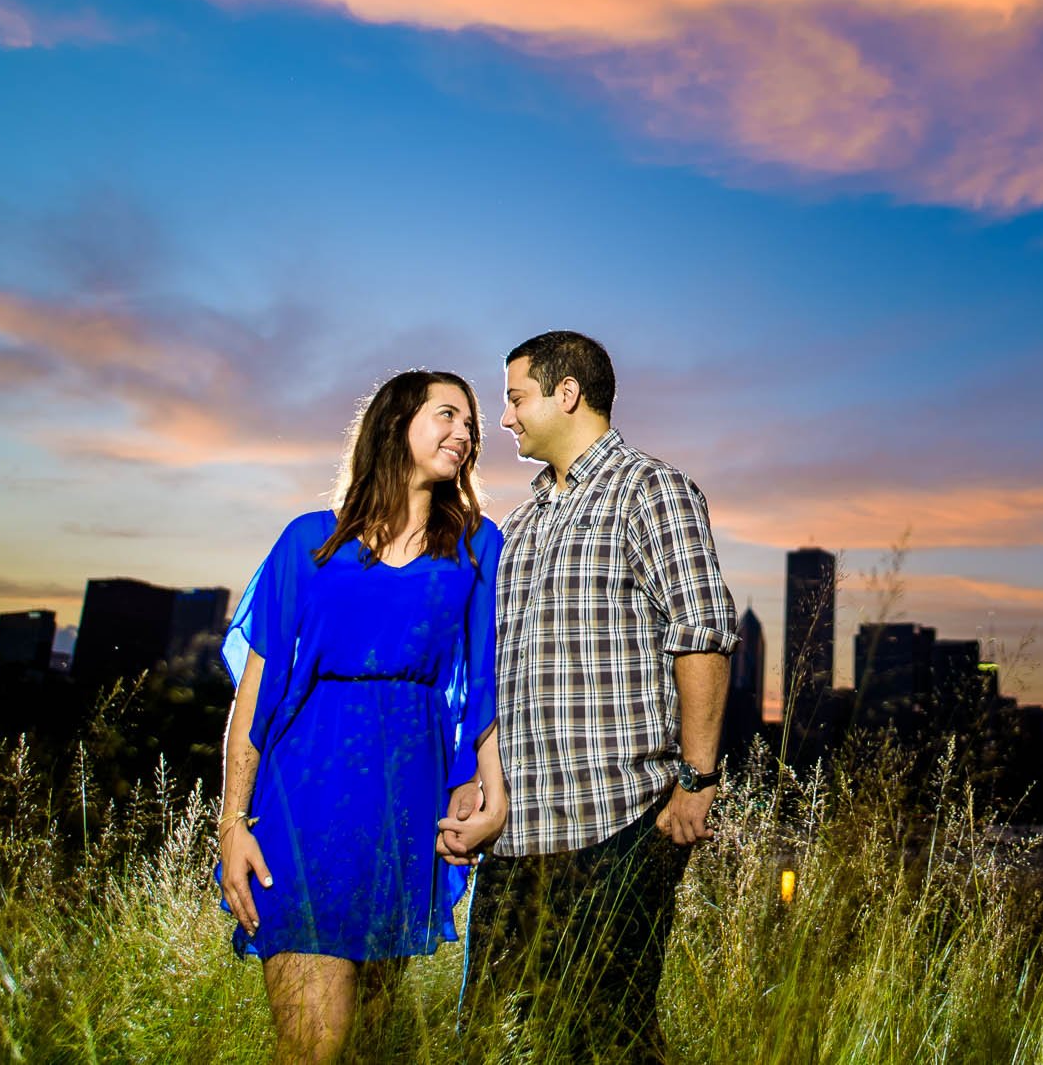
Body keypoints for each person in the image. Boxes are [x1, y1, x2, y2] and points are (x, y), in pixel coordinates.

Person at [439, 330, 737, 1063]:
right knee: (488, 1035)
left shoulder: (650, 489)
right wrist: (482, 786)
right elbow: (503, 671)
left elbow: (702, 628)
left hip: (617, 824)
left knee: (608, 1038)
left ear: (565, 393)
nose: (504, 418)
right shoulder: (526, 521)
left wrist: (697, 779)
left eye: (515, 398)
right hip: (519, 838)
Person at [217, 370, 506, 1064]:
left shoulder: (475, 546)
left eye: (472, 424)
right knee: (314, 1043)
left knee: (372, 1040)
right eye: (447, 415)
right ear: (395, 421)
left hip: (405, 811)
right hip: (304, 804)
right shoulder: (308, 543)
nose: (464, 434)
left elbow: (488, 685)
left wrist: (490, 793)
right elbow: (252, 698)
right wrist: (231, 822)